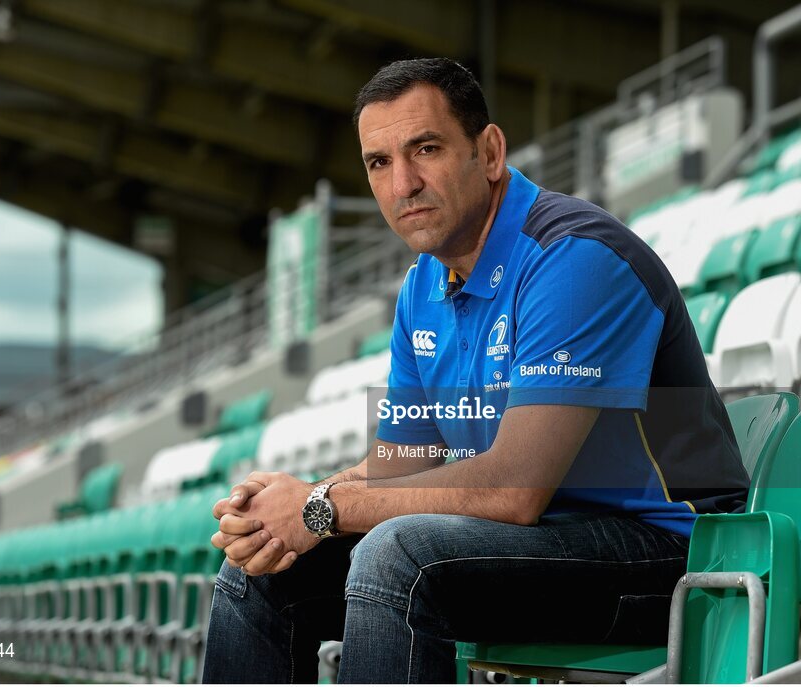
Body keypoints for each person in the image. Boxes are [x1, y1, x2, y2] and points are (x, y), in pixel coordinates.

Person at [201, 58, 749, 684]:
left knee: (395, 554)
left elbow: (514, 491)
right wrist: (291, 506)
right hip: (535, 544)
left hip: (669, 554)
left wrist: (322, 508)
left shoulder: (573, 257)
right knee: (264, 565)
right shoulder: (422, 286)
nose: (403, 183)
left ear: (488, 152)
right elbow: (400, 464)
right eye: (379, 163)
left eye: (425, 149)